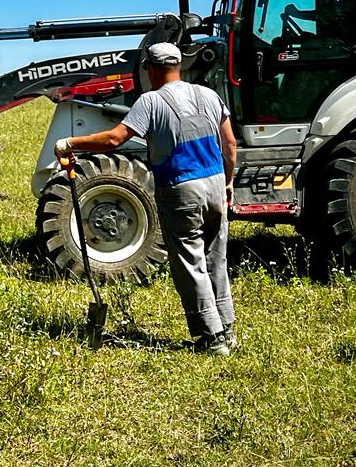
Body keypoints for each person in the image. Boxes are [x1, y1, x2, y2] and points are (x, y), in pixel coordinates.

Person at [54, 42, 238, 355]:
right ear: (180, 66)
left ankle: (212, 338)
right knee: (214, 258)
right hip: (216, 184)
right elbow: (230, 144)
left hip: (182, 188)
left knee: (190, 262)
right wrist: (229, 183)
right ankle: (227, 329)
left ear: (150, 69)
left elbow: (114, 139)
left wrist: (70, 143)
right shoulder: (208, 95)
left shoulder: (151, 101)